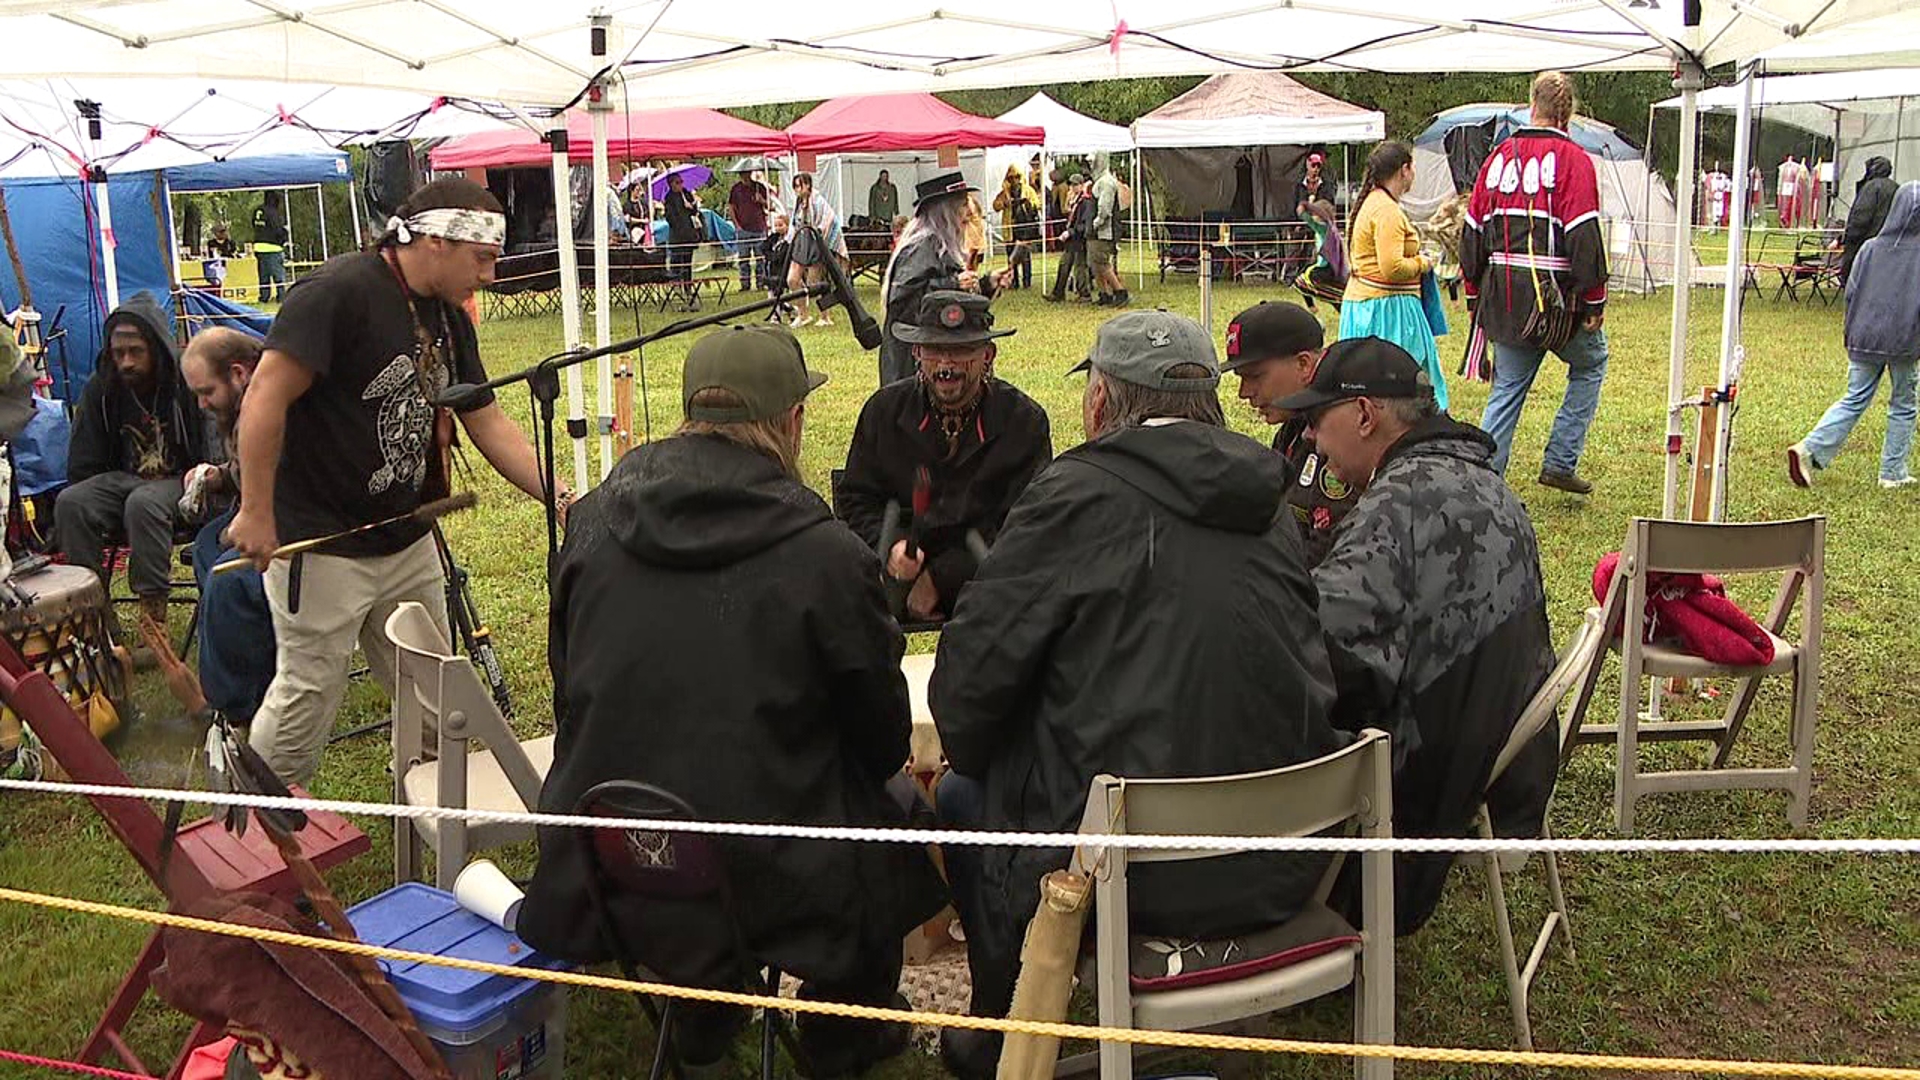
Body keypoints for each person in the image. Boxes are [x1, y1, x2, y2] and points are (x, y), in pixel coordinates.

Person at [520, 324, 944, 1076]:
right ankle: (842, 1032)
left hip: (609, 849)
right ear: (791, 422)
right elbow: (880, 737)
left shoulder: (588, 524)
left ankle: (702, 1007)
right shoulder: (827, 553)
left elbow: (567, 687)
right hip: (770, 875)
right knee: (894, 810)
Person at [930, 309, 1345, 1078]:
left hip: (1132, 880)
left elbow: (964, 699)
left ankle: (1000, 1031)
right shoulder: (1272, 501)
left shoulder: (1072, 494)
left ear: (1098, 404)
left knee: (961, 794)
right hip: (1285, 855)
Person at [224, 178, 554, 787]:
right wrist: (256, 510)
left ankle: (433, 801)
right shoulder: (337, 292)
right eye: (481, 258)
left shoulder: (448, 316)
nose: (489, 276)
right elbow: (264, 395)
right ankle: (261, 825)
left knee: (434, 685)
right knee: (309, 691)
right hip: (320, 542)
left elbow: (485, 418)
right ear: (434, 240)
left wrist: (559, 497)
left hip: (406, 536)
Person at [1281, 336, 1555, 935]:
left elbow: (1320, 651)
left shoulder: (1397, 503)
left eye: (1315, 419)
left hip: (1425, 773)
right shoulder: (1482, 478)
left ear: (1362, 415)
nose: (1308, 438)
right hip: (1496, 749)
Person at [835, 291, 1051, 622]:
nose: (946, 366)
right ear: (917, 352)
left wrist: (944, 578)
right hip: (889, 585)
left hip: (992, 589)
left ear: (988, 354)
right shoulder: (883, 413)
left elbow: (1029, 525)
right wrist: (891, 545)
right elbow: (855, 500)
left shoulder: (1023, 421)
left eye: (961, 351)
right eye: (935, 351)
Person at [1462, 71, 1612, 496]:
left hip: (1505, 297)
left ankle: (1483, 485)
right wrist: (1594, 300)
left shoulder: (1497, 159)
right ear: (1568, 113)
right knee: (1590, 364)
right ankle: (1560, 460)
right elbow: (1583, 234)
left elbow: (1472, 230)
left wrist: (1474, 294)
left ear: (1532, 105)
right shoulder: (1574, 162)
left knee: (1507, 389)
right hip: (1556, 302)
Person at [55, 292, 210, 632]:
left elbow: (211, 447)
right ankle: (95, 618)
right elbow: (84, 458)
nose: (125, 361)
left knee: (144, 502)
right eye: (118, 352)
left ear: (154, 347)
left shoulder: (185, 382)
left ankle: (153, 626)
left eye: (135, 352)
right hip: (123, 480)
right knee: (71, 502)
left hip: (181, 481)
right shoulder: (103, 388)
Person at [1788, 181, 1920, 490]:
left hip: (1864, 336)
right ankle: (1892, 472)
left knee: (1854, 398)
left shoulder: (1870, 248)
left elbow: (1851, 292)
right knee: (1903, 403)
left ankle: (1809, 447)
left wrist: (1852, 331)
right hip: (1904, 341)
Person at [178, 329, 275, 727]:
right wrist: (215, 477)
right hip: (261, 510)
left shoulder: (274, 404)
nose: (202, 404)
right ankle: (250, 660)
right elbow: (244, 472)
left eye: (206, 392)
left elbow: (296, 487)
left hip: (298, 525)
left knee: (226, 577)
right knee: (205, 543)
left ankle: (230, 709)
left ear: (238, 373)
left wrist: (249, 518)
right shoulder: (240, 407)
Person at [1224, 300, 1353, 565]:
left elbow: (1327, 557)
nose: (1243, 393)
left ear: (1304, 364)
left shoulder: (1344, 437)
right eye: (1240, 379)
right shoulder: (1294, 426)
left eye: (1255, 376)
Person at [1341, 140, 1446, 410]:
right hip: (1387, 312)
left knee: (1372, 386)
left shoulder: (1374, 203)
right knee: (1403, 388)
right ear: (1404, 170)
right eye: (1413, 168)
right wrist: (1424, 262)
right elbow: (1392, 268)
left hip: (1370, 306)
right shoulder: (1386, 211)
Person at [880, 172, 1010, 386]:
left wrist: (986, 285)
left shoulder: (940, 247)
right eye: (961, 205)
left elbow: (951, 310)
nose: (968, 213)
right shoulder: (921, 248)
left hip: (939, 362)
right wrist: (953, 284)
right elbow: (903, 304)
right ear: (944, 212)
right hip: (913, 366)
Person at [785, 172, 849, 330]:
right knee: (792, 279)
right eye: (795, 186)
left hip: (816, 242)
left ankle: (825, 316)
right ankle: (803, 314)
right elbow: (794, 223)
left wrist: (819, 235)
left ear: (808, 185)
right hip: (801, 241)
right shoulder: (798, 203)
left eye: (799, 185)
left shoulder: (818, 201)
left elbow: (829, 220)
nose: (797, 189)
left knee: (816, 283)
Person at [1840, 156, 1898, 284]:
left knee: (1858, 276)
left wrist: (1849, 237)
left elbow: (1861, 217)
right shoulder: (1896, 187)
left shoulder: (1871, 187)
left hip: (1866, 241)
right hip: (1889, 241)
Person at [1087, 152, 1129, 307]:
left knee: (1102, 262)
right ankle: (1104, 294)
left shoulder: (1106, 182)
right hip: (1094, 230)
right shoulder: (1099, 181)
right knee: (1094, 263)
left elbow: (1105, 207)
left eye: (1093, 162)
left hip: (1103, 231)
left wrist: (1097, 223)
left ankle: (1120, 292)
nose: (1091, 165)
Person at [1293, 197, 1349, 312]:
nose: (1313, 216)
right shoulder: (1330, 230)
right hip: (1327, 268)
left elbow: (1304, 215)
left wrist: (1306, 205)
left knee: (1302, 279)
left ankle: (1312, 306)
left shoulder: (1324, 228)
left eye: (1314, 213)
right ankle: (1331, 304)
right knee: (1302, 279)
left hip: (1325, 269)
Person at [1044, 173, 1093, 303]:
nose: (1073, 187)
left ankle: (1084, 294)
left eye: (1076, 184)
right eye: (1071, 184)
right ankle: (1058, 293)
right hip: (1071, 240)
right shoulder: (1075, 200)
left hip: (1079, 240)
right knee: (1064, 265)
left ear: (1082, 185)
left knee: (1080, 268)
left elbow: (1084, 224)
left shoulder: (1086, 202)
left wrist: (1070, 232)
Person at [990, 165, 1039, 290]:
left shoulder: (1028, 190)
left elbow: (1037, 204)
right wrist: (1005, 203)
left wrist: (1027, 203)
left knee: (1025, 255)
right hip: (1010, 227)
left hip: (1024, 227)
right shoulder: (1004, 193)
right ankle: (1013, 281)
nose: (1014, 180)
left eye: (1016, 177)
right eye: (1011, 178)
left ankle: (1027, 282)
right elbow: (995, 206)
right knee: (1011, 256)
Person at [728, 167, 771, 293]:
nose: (745, 176)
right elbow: (731, 207)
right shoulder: (736, 189)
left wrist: (762, 200)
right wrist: (737, 225)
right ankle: (745, 284)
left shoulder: (759, 187)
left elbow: (770, 205)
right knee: (743, 259)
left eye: (747, 173)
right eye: (743, 174)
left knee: (761, 258)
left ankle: (761, 282)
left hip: (759, 227)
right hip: (743, 229)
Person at [662, 172, 704, 301]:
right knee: (676, 263)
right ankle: (676, 286)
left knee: (687, 263)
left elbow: (696, 211)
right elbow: (670, 217)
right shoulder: (669, 198)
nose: (680, 185)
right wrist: (679, 225)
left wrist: (691, 207)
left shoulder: (686, 194)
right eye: (677, 182)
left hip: (689, 234)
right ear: (671, 184)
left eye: (681, 182)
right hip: (677, 236)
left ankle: (688, 287)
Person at [252, 192, 289, 304]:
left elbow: (253, 225)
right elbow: (277, 229)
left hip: (258, 247)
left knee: (263, 276)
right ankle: (281, 297)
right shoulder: (273, 213)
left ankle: (264, 297)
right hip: (273, 247)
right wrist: (284, 237)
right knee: (278, 276)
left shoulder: (258, 211)